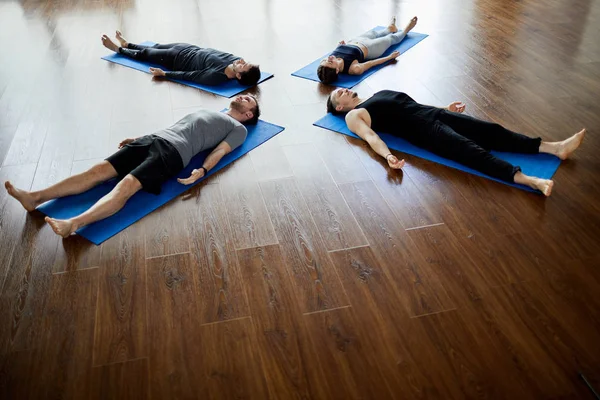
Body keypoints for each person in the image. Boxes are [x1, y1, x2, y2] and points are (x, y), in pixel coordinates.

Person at [4, 95, 260, 238]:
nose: (244, 96)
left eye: (249, 100)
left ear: (249, 115)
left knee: (127, 185)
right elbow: (175, 127)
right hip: (154, 139)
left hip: (173, 154)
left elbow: (219, 151)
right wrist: (139, 138)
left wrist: (202, 170)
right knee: (96, 172)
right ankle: (34, 197)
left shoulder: (238, 129)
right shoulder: (212, 111)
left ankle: (74, 223)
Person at [327, 89, 586, 196]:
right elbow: (371, 136)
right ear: (339, 106)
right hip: (423, 131)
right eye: (340, 93)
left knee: (491, 131)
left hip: (432, 114)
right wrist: (388, 157)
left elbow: (412, 105)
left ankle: (554, 148)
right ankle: (531, 180)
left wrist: (444, 107)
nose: (346, 90)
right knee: (471, 152)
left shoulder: (377, 94)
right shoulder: (352, 115)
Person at [101, 30, 261, 86]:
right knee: (154, 47)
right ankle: (127, 43)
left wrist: (164, 74)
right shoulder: (235, 59)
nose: (242, 61)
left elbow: (190, 76)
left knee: (146, 55)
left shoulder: (216, 76)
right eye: (245, 62)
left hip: (175, 60)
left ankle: (117, 48)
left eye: (243, 65)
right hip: (188, 48)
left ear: (238, 75)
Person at [317, 16, 418, 84]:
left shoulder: (333, 58)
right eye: (330, 62)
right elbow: (371, 63)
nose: (328, 58)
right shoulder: (354, 69)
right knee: (391, 39)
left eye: (324, 60)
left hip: (356, 40)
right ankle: (406, 30)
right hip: (370, 48)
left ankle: (391, 28)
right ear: (337, 70)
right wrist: (389, 57)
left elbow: (340, 53)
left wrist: (341, 45)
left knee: (375, 33)